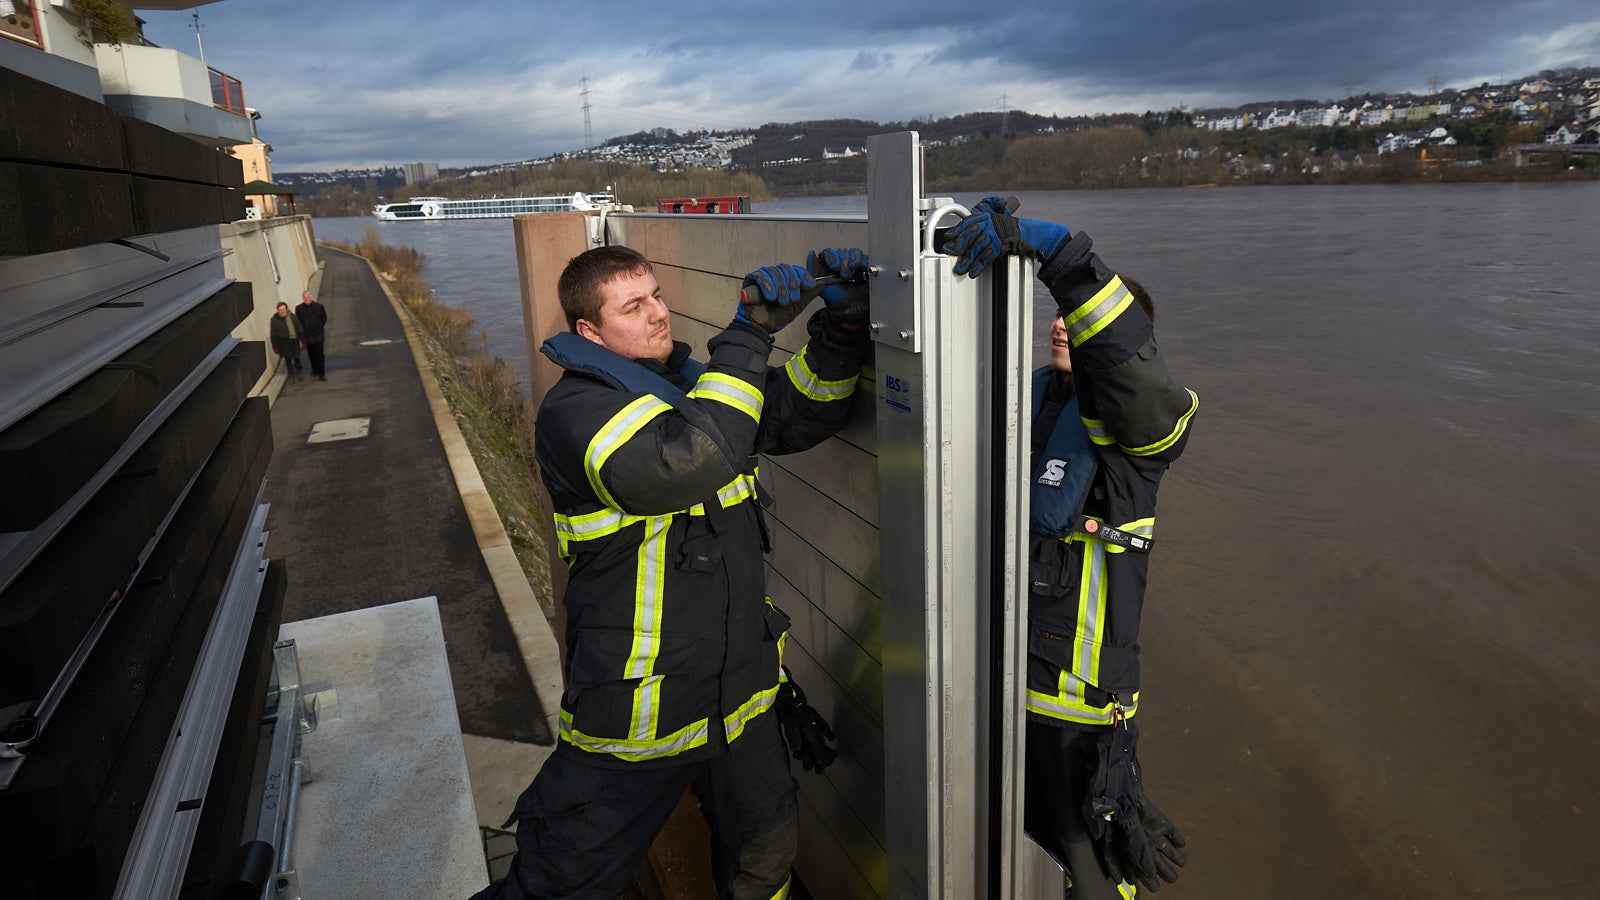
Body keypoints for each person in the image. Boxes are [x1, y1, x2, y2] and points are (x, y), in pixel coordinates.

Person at [474, 244, 872, 900]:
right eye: (635, 306)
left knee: (765, 856)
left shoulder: (688, 383)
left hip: (739, 700)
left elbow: (800, 413)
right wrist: (748, 330)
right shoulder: (576, 410)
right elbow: (690, 461)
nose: (660, 313)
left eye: (657, 295)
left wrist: (845, 323)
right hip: (641, 715)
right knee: (560, 883)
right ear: (590, 332)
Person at [942, 198, 1197, 897]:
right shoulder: (1023, 397)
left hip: (1073, 697)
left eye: (1078, 320)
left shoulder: (1143, 434)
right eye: (1057, 316)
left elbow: (1131, 373)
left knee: (1082, 861)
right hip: (996, 671)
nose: (1060, 323)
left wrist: (1067, 263)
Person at [296, 290, 329, 381]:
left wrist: (318, 327)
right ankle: (314, 369)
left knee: (320, 354)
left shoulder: (319, 307)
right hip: (307, 335)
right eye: (305, 298)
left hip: (318, 334)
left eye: (308, 297)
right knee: (311, 354)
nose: (306, 299)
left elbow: (324, 318)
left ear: (311, 297)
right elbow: (298, 322)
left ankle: (321, 373)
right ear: (303, 298)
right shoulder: (299, 308)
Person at [268, 301, 304, 381]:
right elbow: (273, 334)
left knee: (296, 357)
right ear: (277, 310)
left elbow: (299, 329)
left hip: (294, 341)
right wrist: (275, 347)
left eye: (283, 309)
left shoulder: (293, 317)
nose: (282, 311)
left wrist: (303, 341)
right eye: (280, 309)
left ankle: (299, 372)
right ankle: (291, 375)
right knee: (288, 359)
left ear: (286, 309)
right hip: (283, 343)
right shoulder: (274, 320)